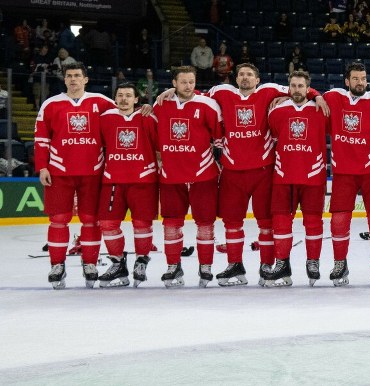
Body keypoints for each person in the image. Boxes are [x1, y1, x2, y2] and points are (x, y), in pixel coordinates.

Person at [206, 63, 323, 286]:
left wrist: (317, 96)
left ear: (258, 79)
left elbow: (298, 89)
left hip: (263, 171)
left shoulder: (269, 91)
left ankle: (267, 265)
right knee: (232, 223)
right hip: (232, 171)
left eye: (250, 74)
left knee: (266, 223)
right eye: (241, 74)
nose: (245, 78)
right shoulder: (222, 92)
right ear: (235, 78)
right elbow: (195, 95)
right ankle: (235, 265)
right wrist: (170, 91)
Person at [33, 62, 115, 288]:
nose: (73, 79)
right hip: (59, 171)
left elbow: (127, 114)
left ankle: (90, 264)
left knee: (90, 220)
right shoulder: (51, 104)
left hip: (93, 172)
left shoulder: (101, 102)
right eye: (69, 76)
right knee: (58, 220)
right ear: (64, 79)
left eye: (77, 76)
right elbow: (41, 139)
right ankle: (57, 265)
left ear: (85, 79)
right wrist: (43, 166)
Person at [322, 62, 370, 285]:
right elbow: (310, 94)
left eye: (363, 78)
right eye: (355, 78)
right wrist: (314, 96)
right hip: (344, 170)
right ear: (347, 81)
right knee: (339, 218)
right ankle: (340, 263)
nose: (360, 82)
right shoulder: (334, 97)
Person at [152, 66, 224, 287]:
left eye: (191, 81)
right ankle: (173, 266)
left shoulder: (207, 104)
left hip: (203, 173)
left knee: (205, 223)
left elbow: (220, 138)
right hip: (171, 174)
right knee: (172, 223)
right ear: (174, 83)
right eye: (183, 82)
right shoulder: (161, 104)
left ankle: (206, 267)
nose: (188, 86)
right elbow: (152, 132)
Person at [261, 71, 330, 287]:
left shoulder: (322, 109)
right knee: (281, 223)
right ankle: (282, 264)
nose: (297, 89)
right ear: (288, 87)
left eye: (301, 86)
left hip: (313, 175)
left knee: (313, 222)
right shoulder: (276, 111)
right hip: (283, 175)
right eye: (293, 85)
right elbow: (273, 137)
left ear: (308, 88)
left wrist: (317, 96)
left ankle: (313, 262)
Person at [95, 82, 159, 287]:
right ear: (115, 98)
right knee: (107, 223)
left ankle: (141, 261)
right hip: (113, 180)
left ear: (136, 99)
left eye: (128, 95)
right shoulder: (104, 119)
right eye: (120, 95)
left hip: (143, 180)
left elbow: (160, 146)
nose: (123, 99)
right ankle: (117, 263)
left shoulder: (148, 118)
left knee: (142, 225)